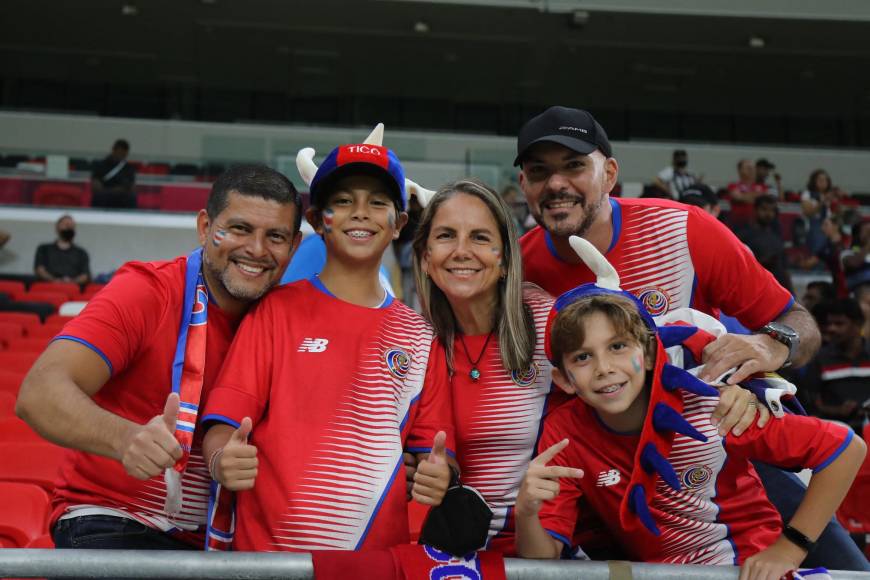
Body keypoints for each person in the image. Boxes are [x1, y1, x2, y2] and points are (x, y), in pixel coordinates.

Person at [513, 105, 870, 570]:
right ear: (523, 186)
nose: (556, 184)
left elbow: (797, 322)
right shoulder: (516, 271)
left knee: (846, 569)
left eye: (575, 165)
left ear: (610, 173)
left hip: (723, 456)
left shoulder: (682, 230)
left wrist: (768, 346)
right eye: (540, 172)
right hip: (600, 474)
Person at [412, 179, 762, 555]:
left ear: (504, 260)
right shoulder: (409, 339)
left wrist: (745, 388)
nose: (462, 251)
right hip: (453, 553)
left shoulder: (548, 319)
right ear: (425, 258)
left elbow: (653, 352)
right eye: (446, 236)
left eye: (480, 238)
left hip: (566, 550)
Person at [515, 257, 865, 579]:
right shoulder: (564, 431)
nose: (605, 368)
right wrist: (527, 512)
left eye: (618, 347)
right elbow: (542, 558)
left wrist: (790, 548)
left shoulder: (712, 405)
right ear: (564, 380)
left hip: (745, 571)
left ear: (651, 353)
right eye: (582, 357)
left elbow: (846, 449)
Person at [16, 164, 303, 550]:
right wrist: (125, 439)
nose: (256, 249)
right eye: (239, 229)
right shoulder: (148, 292)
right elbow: (39, 393)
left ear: (295, 246)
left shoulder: (291, 320)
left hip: (224, 542)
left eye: (276, 237)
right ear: (205, 227)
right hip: (114, 518)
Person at [201, 142, 454, 552]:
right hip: (271, 562)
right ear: (319, 220)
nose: (360, 212)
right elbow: (225, 424)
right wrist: (220, 460)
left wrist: (439, 473)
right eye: (342, 201)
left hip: (370, 564)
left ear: (399, 223)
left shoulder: (421, 337)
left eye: (376, 202)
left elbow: (434, 453)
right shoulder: (275, 312)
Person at [801, 298, 870, 433]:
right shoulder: (820, 359)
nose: (831, 329)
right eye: (829, 324)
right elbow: (809, 404)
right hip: (836, 433)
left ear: (858, 324)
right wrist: (836, 410)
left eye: (839, 323)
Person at [736, 195, 794, 295]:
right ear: (755, 210)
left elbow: (785, 268)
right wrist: (763, 262)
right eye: (764, 209)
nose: (768, 214)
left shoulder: (777, 235)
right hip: (755, 291)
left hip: (779, 290)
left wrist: (791, 291)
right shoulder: (743, 235)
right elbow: (739, 266)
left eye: (772, 210)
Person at [34, 214, 91, 285]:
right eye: (66, 224)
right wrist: (55, 281)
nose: (68, 227)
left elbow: (85, 276)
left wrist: (70, 282)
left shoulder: (81, 253)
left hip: (72, 289)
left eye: (71, 225)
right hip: (48, 288)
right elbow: (40, 270)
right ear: (57, 227)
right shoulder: (43, 249)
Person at [91, 139, 137, 209]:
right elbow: (96, 183)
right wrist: (106, 190)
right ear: (113, 150)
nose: (120, 154)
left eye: (123, 153)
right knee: (99, 197)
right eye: (119, 151)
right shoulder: (101, 165)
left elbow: (130, 185)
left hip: (122, 196)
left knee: (131, 198)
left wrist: (120, 190)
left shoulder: (129, 168)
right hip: (104, 195)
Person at [726, 159, 768, 229]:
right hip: (738, 225)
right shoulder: (733, 186)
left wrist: (744, 196)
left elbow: (764, 200)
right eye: (748, 168)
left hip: (757, 226)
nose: (752, 170)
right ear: (740, 170)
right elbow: (737, 197)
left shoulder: (763, 187)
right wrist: (757, 196)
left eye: (753, 168)